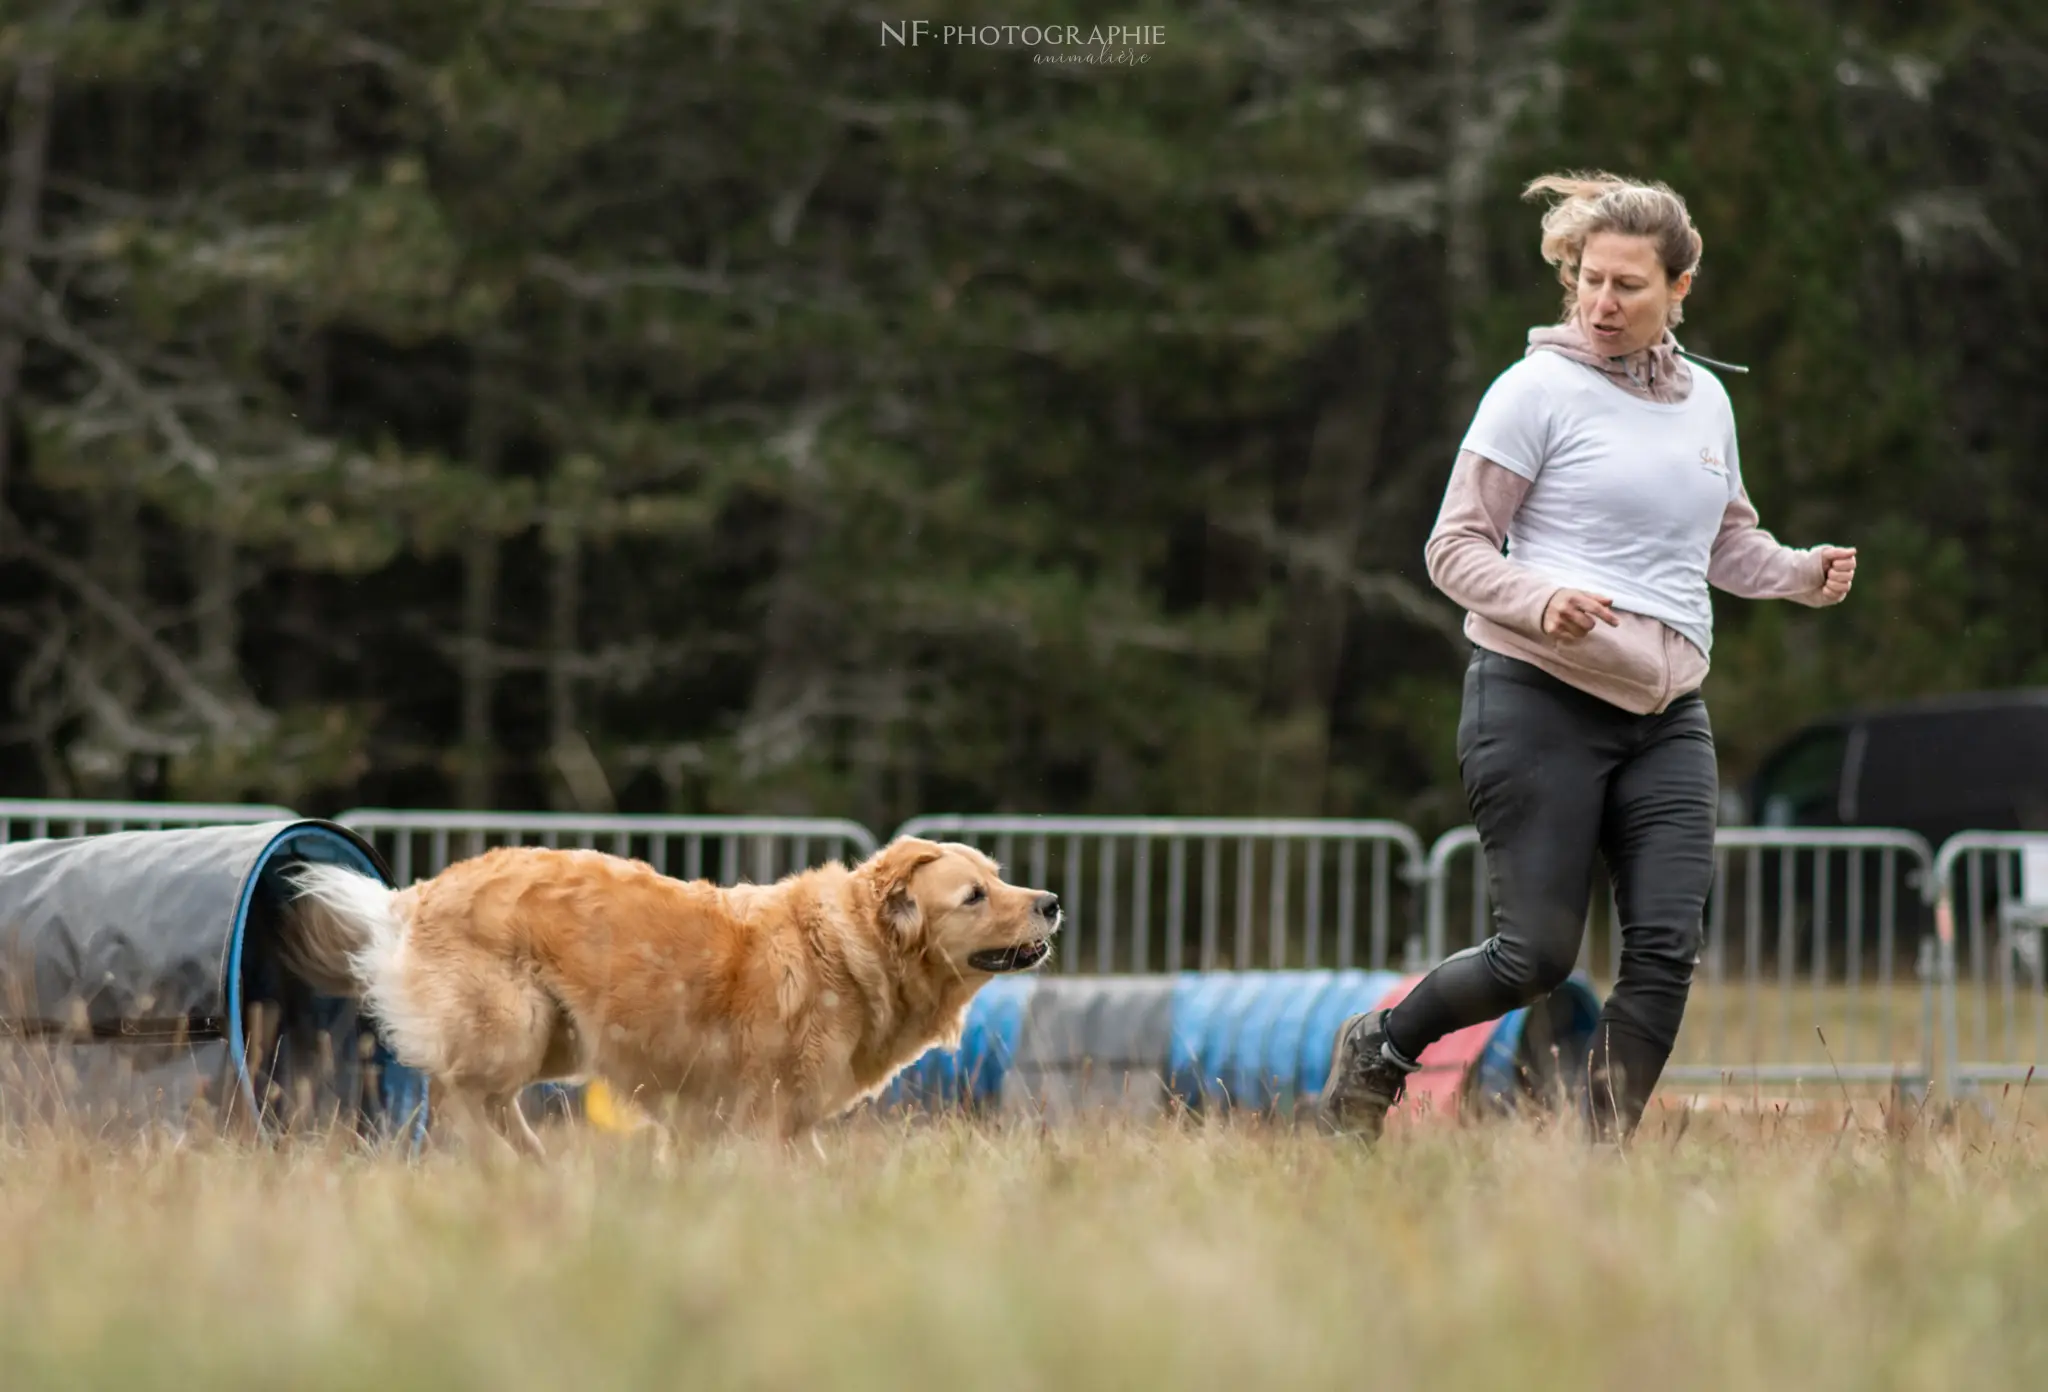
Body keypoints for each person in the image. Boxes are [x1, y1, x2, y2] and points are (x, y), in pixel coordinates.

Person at [1318, 171, 1857, 1145]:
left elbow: (1723, 545)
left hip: (1667, 716)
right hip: (1536, 696)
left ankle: (1588, 1161)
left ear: (1678, 290)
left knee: (1664, 949)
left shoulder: (1704, 408)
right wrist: (1540, 598)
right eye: (1587, 282)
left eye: (1627, 287)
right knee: (1533, 956)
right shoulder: (1532, 391)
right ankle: (1380, 1047)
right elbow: (1453, 549)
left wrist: (1796, 572)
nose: (1601, 304)